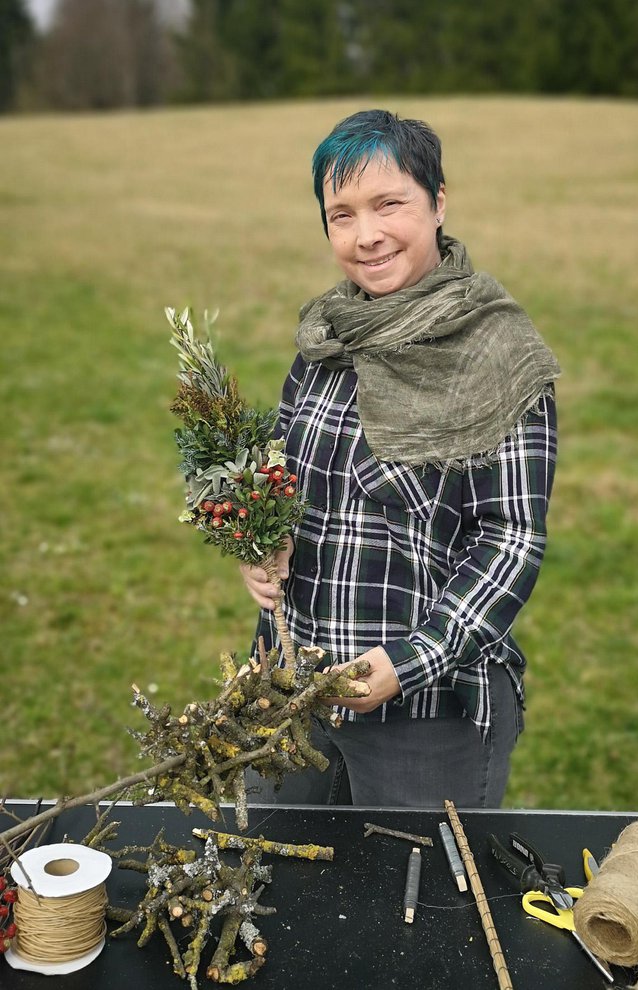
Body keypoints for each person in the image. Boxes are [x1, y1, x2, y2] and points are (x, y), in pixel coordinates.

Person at [239, 109, 560, 809]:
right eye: (342, 214)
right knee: (276, 891)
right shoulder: (327, 338)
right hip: (290, 684)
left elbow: (511, 538)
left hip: (427, 717)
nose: (367, 234)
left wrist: (410, 662)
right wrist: (263, 541)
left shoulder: (498, 354)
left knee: (418, 910)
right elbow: (283, 477)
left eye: (390, 205)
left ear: (438, 202)